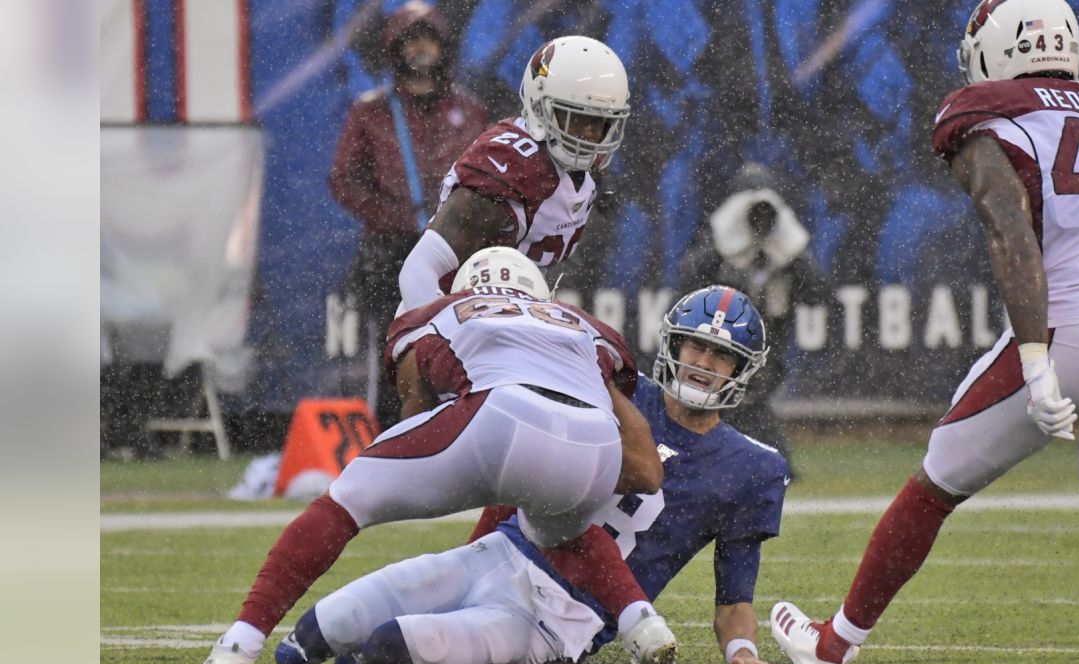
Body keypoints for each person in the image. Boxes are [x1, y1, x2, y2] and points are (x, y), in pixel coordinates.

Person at [769, 0, 1079, 664]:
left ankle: (832, 651)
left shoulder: (990, 115)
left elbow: (1009, 235)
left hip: (1071, 334)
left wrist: (1035, 362)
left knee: (934, 485)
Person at [272, 286, 798, 664]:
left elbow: (733, 601)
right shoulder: (612, 391)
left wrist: (741, 653)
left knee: (385, 649)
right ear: (673, 347)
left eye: (721, 354)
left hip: (568, 617)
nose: (705, 364)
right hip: (507, 549)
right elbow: (516, 472)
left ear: (744, 368)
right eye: (695, 347)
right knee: (312, 636)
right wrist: (472, 556)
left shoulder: (754, 468)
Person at [201, 247, 672, 664]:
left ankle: (239, 644)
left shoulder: (439, 312)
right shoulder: (583, 324)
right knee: (561, 531)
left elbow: (417, 407)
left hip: (500, 415)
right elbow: (632, 440)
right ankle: (643, 625)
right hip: (595, 443)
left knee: (344, 502)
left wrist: (460, 472)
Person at [329, 1, 489, 428]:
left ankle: (458, 435)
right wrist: (394, 217)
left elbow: (488, 178)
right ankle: (390, 435)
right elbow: (344, 179)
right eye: (410, 40)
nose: (420, 48)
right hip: (391, 251)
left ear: (443, 47)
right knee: (396, 349)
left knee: (462, 346)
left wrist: (463, 223)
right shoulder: (371, 112)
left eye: (428, 38)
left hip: (455, 250)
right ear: (394, 49)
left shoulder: (471, 111)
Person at [394, 34, 630, 316]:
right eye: (576, 120)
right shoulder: (509, 168)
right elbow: (419, 268)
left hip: (515, 314)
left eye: (600, 123)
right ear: (541, 106)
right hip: (452, 314)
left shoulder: (582, 166)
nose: (590, 137)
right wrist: (439, 341)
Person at [677, 163, 834, 464]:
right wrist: (723, 249)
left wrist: (792, 251)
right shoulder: (714, 247)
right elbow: (687, 286)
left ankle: (749, 455)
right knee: (735, 410)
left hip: (765, 351)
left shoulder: (785, 252)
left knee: (748, 407)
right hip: (720, 346)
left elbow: (817, 293)